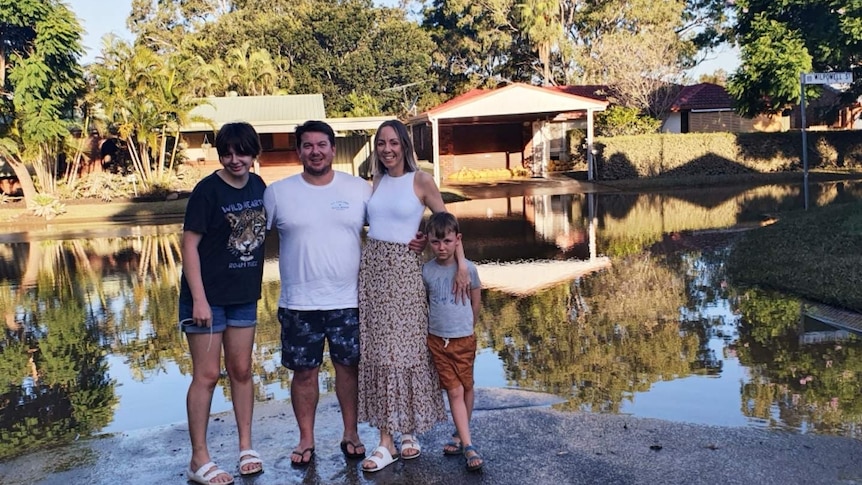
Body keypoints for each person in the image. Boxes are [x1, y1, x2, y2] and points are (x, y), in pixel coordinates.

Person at [358, 119, 470, 472]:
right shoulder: (372, 182)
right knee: (378, 351)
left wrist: (460, 265)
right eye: (381, 143)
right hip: (374, 272)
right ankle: (385, 439)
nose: (387, 149)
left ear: (405, 145)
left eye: (393, 142)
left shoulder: (420, 181)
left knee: (406, 350)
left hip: (406, 272)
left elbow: (448, 225)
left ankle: (408, 433)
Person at [263, 120, 371, 466]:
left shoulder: (359, 190)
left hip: (348, 301)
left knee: (348, 369)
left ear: (332, 148)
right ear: (299, 151)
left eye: (321, 145)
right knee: (304, 373)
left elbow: (390, 229)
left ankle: (350, 433)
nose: (315, 151)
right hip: (299, 304)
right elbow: (249, 241)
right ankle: (306, 439)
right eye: (307, 145)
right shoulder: (278, 193)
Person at [179, 121, 267, 485]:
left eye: (242, 152)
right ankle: (199, 459)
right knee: (207, 375)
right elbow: (189, 245)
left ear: (252, 153)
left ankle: (246, 446)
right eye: (227, 153)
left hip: (243, 295)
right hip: (207, 299)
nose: (235, 160)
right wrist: (199, 299)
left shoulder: (260, 186)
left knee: (242, 371)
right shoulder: (207, 192)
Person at [422, 211, 484, 472]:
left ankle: (459, 435)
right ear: (428, 241)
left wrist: (469, 325)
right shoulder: (426, 271)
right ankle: (469, 445)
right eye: (435, 242)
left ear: (457, 240)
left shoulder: (468, 269)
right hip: (438, 340)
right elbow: (426, 303)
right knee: (454, 390)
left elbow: (476, 299)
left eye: (447, 241)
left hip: (464, 339)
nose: (441, 247)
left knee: (467, 386)